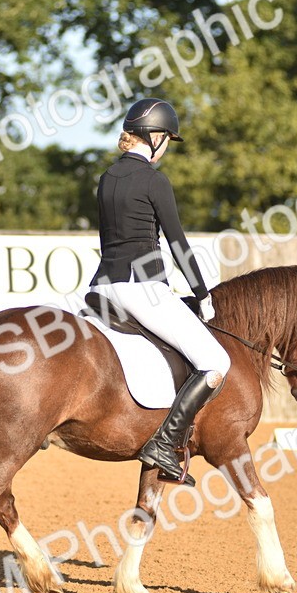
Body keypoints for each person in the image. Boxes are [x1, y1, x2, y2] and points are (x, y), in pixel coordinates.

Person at [89, 98, 231, 485]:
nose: (166, 147)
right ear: (153, 137)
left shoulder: (106, 179)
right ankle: (165, 443)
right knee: (216, 362)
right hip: (142, 289)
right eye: (166, 138)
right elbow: (178, 245)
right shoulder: (153, 180)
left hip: (102, 288)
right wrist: (202, 295)